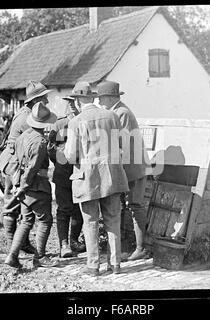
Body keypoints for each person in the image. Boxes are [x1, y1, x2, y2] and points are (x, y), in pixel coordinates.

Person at [63, 81, 129, 276]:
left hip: (87, 178)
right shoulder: (112, 116)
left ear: (78, 100)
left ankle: (93, 266)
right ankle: (115, 264)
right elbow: (120, 144)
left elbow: (69, 156)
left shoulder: (76, 122)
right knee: (113, 220)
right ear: (91, 98)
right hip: (112, 175)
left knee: (90, 222)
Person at [0, 80, 53, 254]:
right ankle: (13, 246)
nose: (47, 102)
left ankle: (18, 246)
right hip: (17, 167)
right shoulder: (28, 118)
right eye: (44, 98)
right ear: (36, 101)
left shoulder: (23, 112)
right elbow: (35, 144)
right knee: (13, 205)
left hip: (14, 163)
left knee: (20, 208)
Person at [97, 80, 149, 261]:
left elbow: (123, 143)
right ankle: (127, 246)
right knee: (125, 207)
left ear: (111, 98)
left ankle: (142, 248)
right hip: (126, 167)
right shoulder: (115, 112)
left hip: (133, 167)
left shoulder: (122, 113)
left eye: (101, 99)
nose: (99, 103)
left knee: (135, 206)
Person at [4, 101, 58, 268]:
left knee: (26, 221)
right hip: (36, 186)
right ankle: (40, 257)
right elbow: (32, 168)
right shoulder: (40, 141)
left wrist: (18, 185)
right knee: (45, 220)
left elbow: (16, 161)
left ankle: (12, 256)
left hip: (23, 185)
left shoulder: (23, 136)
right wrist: (24, 186)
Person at [48, 96, 85, 258]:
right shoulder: (60, 124)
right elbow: (50, 148)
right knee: (64, 209)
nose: (72, 108)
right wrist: (60, 160)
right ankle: (64, 244)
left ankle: (74, 240)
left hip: (80, 173)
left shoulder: (85, 122)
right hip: (63, 174)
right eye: (70, 105)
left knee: (78, 209)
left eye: (75, 104)